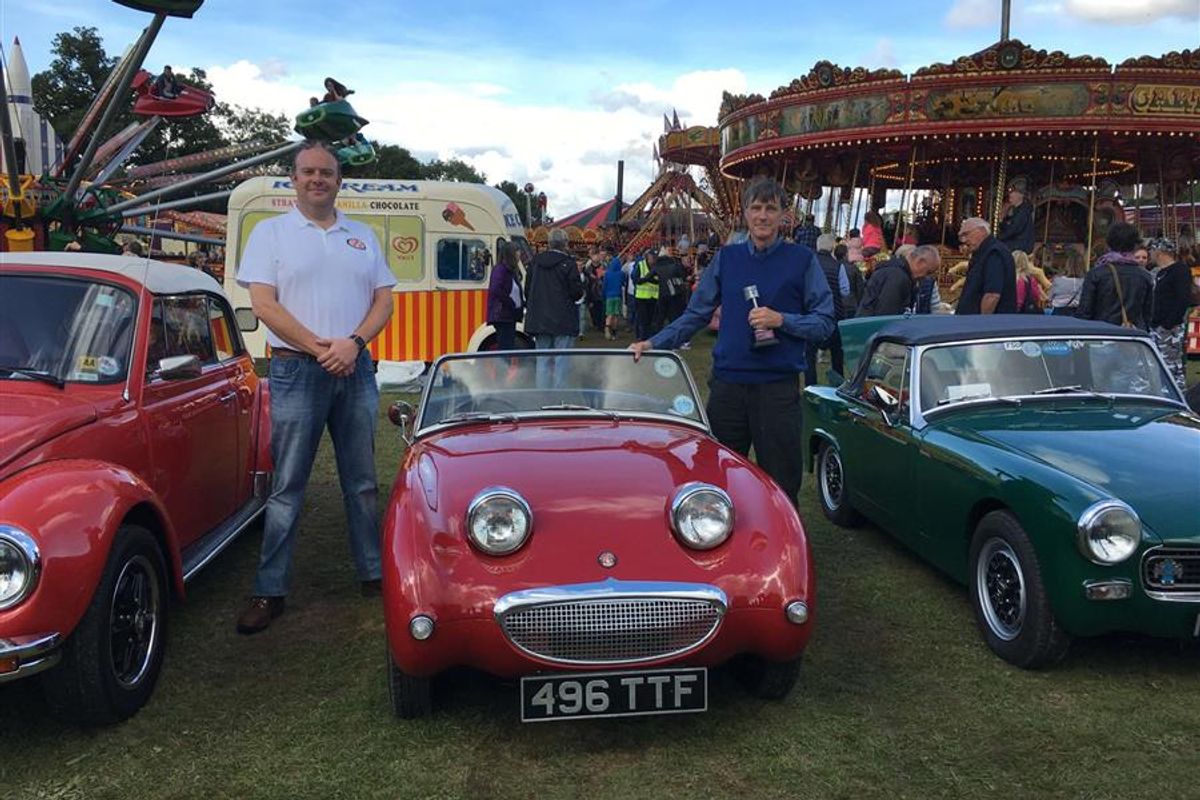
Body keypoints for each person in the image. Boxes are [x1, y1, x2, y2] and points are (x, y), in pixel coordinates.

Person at [235, 141, 395, 634]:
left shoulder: (362, 235)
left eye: (326, 172)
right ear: (294, 178)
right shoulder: (270, 233)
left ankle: (374, 573)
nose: (317, 179)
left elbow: (384, 301)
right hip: (297, 370)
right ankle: (270, 588)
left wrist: (353, 343)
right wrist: (321, 348)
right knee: (287, 485)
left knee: (363, 482)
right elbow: (264, 304)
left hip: (355, 369)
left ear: (339, 181)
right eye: (308, 172)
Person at [629, 177, 834, 504]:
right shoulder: (727, 258)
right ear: (745, 213)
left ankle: (782, 536)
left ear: (784, 215)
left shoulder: (802, 260)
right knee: (714, 479)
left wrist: (782, 320)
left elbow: (824, 323)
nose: (763, 216)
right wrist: (653, 344)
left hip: (777, 390)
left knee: (781, 484)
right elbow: (695, 315)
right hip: (728, 388)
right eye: (756, 208)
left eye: (771, 209)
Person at [524, 228, 583, 385]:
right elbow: (577, 292)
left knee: (542, 360)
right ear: (565, 244)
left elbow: (527, 290)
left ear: (549, 243)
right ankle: (558, 395)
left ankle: (542, 393)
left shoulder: (534, 263)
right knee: (561, 361)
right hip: (563, 319)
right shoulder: (568, 264)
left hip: (539, 319)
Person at [1077, 222, 1153, 330]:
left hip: (1103, 331)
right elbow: (1147, 313)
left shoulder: (1096, 274)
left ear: (1109, 243)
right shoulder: (1145, 276)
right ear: (1134, 245)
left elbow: (1085, 311)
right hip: (1134, 333)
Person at [1146, 236, 1191, 391]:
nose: (1150, 254)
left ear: (1159, 252)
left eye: (1151, 251)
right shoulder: (1159, 273)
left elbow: (1183, 298)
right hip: (1157, 326)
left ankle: (1177, 393)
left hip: (1170, 328)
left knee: (1172, 364)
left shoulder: (1180, 271)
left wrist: (1169, 323)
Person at [805, 233, 851, 385]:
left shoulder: (808, 264)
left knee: (809, 354)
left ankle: (810, 385)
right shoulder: (838, 266)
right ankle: (838, 385)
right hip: (834, 313)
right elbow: (845, 290)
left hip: (811, 313)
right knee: (837, 353)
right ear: (832, 248)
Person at [857, 244, 941, 317]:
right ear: (920, 262)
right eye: (928, 272)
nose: (926, 277)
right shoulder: (898, 277)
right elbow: (887, 316)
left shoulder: (892, 271)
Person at [956, 217, 1017, 314]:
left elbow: (992, 295)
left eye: (966, 234)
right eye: (961, 237)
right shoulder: (983, 253)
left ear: (981, 231)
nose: (964, 240)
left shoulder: (994, 253)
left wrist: (983, 321)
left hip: (986, 321)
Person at [487, 239, 524, 350]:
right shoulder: (500, 270)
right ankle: (502, 362)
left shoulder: (511, 271)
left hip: (509, 315)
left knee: (508, 344)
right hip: (502, 315)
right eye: (517, 252)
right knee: (505, 345)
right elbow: (495, 289)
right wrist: (510, 302)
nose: (519, 255)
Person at [1047, 248, 1085, 316]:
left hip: (1058, 312)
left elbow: (1049, 297)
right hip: (1076, 313)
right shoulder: (1084, 282)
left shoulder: (1058, 280)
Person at [997, 186, 1035, 254]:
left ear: (1020, 195)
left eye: (1013, 192)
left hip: (1021, 244)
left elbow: (1013, 229)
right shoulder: (1017, 211)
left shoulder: (1023, 211)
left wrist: (998, 238)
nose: (1010, 195)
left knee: (997, 247)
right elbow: (1009, 227)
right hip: (1017, 242)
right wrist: (1002, 220)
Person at [633, 248, 660, 340]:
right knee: (642, 320)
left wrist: (647, 279)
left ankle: (650, 338)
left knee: (652, 320)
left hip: (654, 297)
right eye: (653, 257)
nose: (654, 259)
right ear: (648, 256)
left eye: (655, 257)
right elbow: (636, 280)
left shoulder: (658, 266)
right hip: (641, 297)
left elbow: (660, 281)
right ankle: (642, 337)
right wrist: (649, 279)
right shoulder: (641, 265)